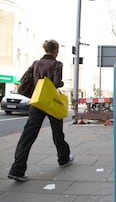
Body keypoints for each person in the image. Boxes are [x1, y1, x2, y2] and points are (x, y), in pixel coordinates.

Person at [8, 39, 74, 182]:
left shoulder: (35, 64)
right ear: (56, 50)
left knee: (28, 136)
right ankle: (63, 158)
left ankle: (17, 169)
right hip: (51, 102)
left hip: (37, 102)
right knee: (57, 133)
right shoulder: (57, 64)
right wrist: (60, 82)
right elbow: (56, 83)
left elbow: (25, 80)